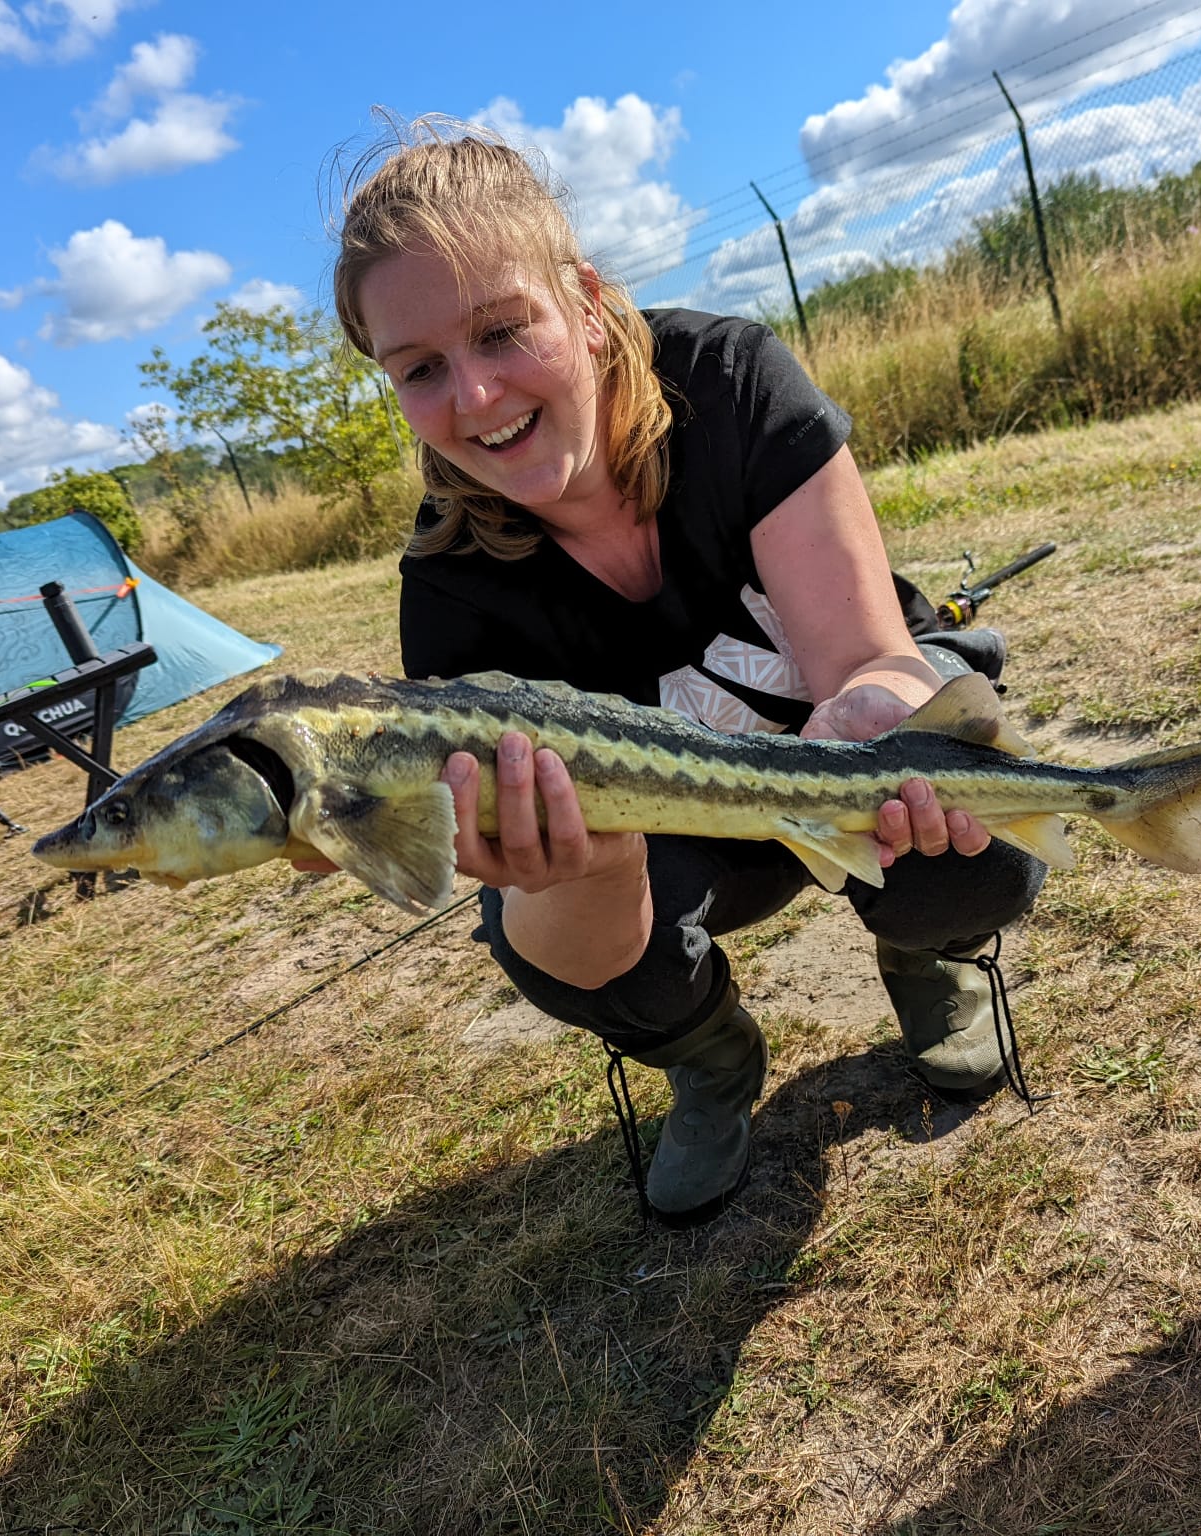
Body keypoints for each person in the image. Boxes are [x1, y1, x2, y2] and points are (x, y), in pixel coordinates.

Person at [325, 122, 1046, 1225]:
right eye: (420, 368)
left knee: (971, 838)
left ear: (584, 300)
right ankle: (709, 1060)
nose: (474, 396)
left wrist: (889, 704)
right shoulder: (448, 588)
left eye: (503, 329)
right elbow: (560, 918)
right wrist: (585, 867)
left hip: (839, 769)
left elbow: (865, 657)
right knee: (544, 944)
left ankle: (927, 951)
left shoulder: (728, 381)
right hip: (682, 842)